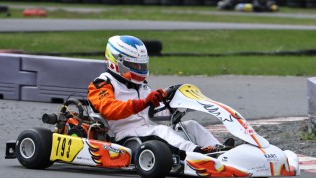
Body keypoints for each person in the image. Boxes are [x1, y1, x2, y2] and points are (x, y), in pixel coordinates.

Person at [87, 35, 233, 157]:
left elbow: (155, 112)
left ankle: (219, 150)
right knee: (162, 131)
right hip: (123, 135)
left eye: (142, 66)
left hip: (148, 129)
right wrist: (143, 103)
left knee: (191, 126)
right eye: (136, 66)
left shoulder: (140, 85)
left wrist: (172, 104)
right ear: (117, 62)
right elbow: (109, 109)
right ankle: (196, 154)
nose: (140, 70)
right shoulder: (102, 84)